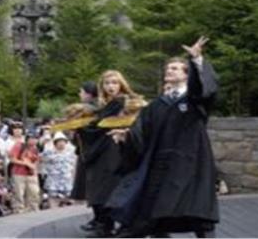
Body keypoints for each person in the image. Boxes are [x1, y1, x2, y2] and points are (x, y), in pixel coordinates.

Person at [107, 37, 218, 238]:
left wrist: (196, 60)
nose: (169, 71)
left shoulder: (195, 101)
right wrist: (127, 137)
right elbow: (143, 131)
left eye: (175, 68)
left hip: (190, 162)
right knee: (154, 209)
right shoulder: (157, 105)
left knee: (197, 211)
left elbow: (204, 89)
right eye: (168, 68)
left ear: (187, 74)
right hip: (161, 163)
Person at [79, 70, 143, 237]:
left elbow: (100, 124)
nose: (110, 86)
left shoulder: (124, 102)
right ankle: (104, 223)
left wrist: (81, 125)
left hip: (116, 147)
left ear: (121, 84)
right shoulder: (106, 104)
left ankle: (108, 225)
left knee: (109, 186)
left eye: (114, 83)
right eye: (107, 83)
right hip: (104, 148)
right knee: (103, 186)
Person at [42, 132, 76, 207]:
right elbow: (41, 161)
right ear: (55, 143)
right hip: (53, 181)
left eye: (63, 142)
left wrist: (73, 178)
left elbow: (73, 166)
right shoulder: (48, 153)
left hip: (67, 181)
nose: (61, 143)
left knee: (69, 201)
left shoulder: (70, 153)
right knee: (53, 200)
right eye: (59, 142)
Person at [9, 132, 40, 213]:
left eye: (35, 138)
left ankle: (33, 209)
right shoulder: (19, 146)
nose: (34, 140)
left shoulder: (35, 149)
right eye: (32, 138)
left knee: (34, 192)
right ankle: (18, 210)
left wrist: (34, 167)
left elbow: (37, 160)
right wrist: (26, 163)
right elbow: (12, 159)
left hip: (31, 173)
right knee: (18, 193)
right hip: (19, 173)